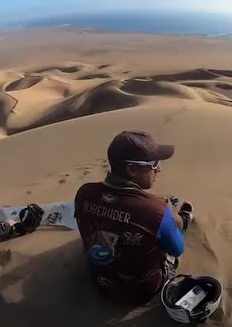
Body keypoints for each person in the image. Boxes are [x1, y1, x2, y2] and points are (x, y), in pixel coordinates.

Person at [74, 130, 194, 303]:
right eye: (153, 163)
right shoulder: (155, 209)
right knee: (169, 232)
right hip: (141, 291)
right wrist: (167, 215)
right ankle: (182, 219)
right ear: (131, 169)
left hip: (99, 282)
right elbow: (177, 249)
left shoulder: (84, 193)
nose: (158, 169)